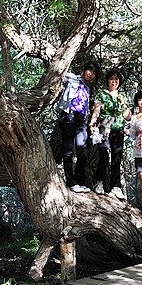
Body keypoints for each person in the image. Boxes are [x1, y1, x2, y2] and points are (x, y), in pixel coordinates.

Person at [56, 61, 100, 193]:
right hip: (69, 116)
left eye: (93, 73)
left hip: (81, 120)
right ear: (85, 69)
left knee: (82, 151)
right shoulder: (71, 78)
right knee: (68, 151)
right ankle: (71, 182)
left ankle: (80, 181)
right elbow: (59, 74)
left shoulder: (87, 88)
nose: (90, 74)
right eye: (89, 70)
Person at [88, 68, 131, 199]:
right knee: (104, 155)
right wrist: (92, 123)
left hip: (118, 129)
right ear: (107, 81)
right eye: (111, 79)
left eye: (116, 79)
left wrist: (123, 103)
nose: (114, 81)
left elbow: (128, 116)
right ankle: (99, 183)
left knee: (117, 159)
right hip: (103, 127)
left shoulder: (121, 96)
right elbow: (96, 109)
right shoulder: (101, 94)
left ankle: (116, 187)